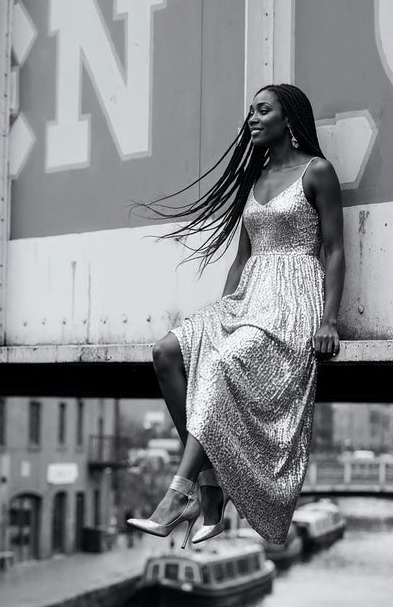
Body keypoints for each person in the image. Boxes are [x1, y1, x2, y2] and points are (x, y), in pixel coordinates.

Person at [127, 84, 345, 548]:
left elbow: (334, 249)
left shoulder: (317, 171)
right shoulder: (255, 179)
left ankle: (180, 493)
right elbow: (242, 258)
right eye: (250, 111)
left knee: (222, 365)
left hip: (291, 301)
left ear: (290, 119)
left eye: (263, 110)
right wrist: (223, 310)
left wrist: (329, 318)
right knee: (168, 352)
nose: (252, 118)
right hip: (248, 296)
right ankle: (209, 486)